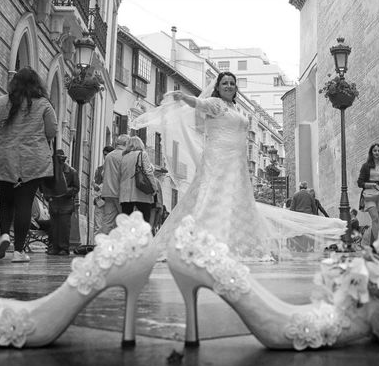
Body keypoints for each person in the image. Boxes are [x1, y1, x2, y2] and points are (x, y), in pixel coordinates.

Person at [133, 71, 346, 259]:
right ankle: (207, 244)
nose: (228, 86)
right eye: (224, 83)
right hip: (219, 158)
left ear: (236, 89)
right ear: (217, 87)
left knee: (236, 202)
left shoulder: (234, 107)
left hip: (236, 161)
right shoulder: (216, 104)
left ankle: (236, 244)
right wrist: (184, 97)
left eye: (232, 84)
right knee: (217, 199)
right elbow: (200, 103)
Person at [0, 67, 58, 263]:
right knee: (24, 203)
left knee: (6, 201)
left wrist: (2, 146)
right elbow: (51, 131)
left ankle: (4, 235)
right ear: (37, 84)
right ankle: (18, 251)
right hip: (33, 161)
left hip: (4, 158)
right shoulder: (44, 105)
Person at [44, 149, 80, 255]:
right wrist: (48, 195)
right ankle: (54, 247)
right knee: (54, 226)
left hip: (66, 204)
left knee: (64, 227)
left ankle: (64, 248)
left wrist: (63, 191)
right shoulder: (51, 172)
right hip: (54, 203)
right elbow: (46, 186)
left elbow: (76, 188)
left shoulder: (72, 171)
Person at [119, 136, 156, 222]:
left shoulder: (124, 157)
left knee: (126, 221)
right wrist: (154, 187)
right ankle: (141, 235)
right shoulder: (142, 154)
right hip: (141, 192)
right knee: (144, 219)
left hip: (125, 194)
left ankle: (127, 235)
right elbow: (148, 172)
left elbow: (120, 174)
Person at [99, 135, 128, 234]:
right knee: (124, 220)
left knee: (107, 221)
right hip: (120, 193)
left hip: (108, 192)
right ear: (125, 144)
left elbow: (103, 173)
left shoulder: (109, 156)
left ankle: (103, 244)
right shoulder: (125, 155)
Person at [92, 145, 114, 238]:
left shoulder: (115, 168)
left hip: (111, 200)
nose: (106, 156)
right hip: (99, 200)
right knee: (98, 225)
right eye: (104, 154)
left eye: (108, 154)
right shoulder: (99, 169)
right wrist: (95, 187)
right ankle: (97, 247)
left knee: (109, 225)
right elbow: (96, 184)